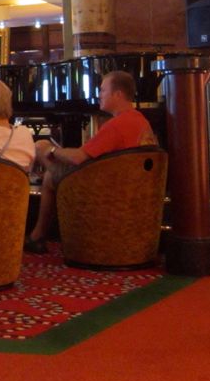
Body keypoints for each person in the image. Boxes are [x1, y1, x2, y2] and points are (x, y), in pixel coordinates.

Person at [25, 70, 157, 253]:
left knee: (45, 162)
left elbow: (79, 157)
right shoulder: (140, 121)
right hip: (127, 188)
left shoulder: (117, 125)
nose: (99, 95)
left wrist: (51, 150)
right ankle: (38, 235)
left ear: (118, 94)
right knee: (51, 170)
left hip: (102, 191)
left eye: (103, 90)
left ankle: (37, 236)